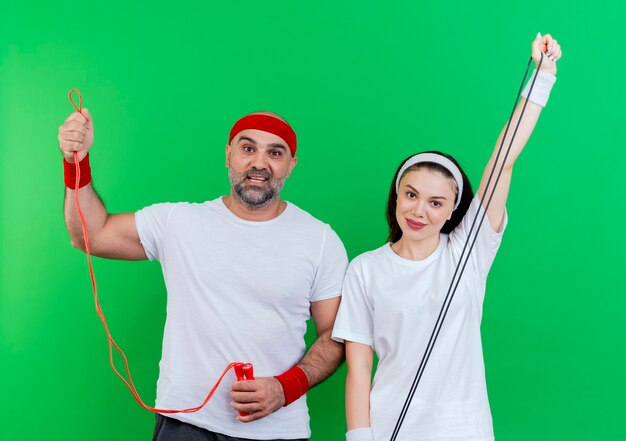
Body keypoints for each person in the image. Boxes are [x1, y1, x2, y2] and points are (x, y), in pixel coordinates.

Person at [58, 110, 348, 441]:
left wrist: (285, 388)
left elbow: (335, 336)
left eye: (275, 152)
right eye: (248, 148)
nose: (260, 163)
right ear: (228, 154)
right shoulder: (178, 222)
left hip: (276, 431)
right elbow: (89, 234)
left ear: (291, 165)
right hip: (184, 426)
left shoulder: (320, 240)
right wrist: (76, 161)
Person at [331, 33, 562, 441]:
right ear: (397, 195)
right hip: (388, 430)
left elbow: (503, 160)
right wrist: (359, 436)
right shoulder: (365, 269)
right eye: (412, 195)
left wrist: (541, 77)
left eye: (437, 203)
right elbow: (359, 370)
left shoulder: (469, 252)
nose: (420, 211)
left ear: (454, 210)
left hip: (464, 429)